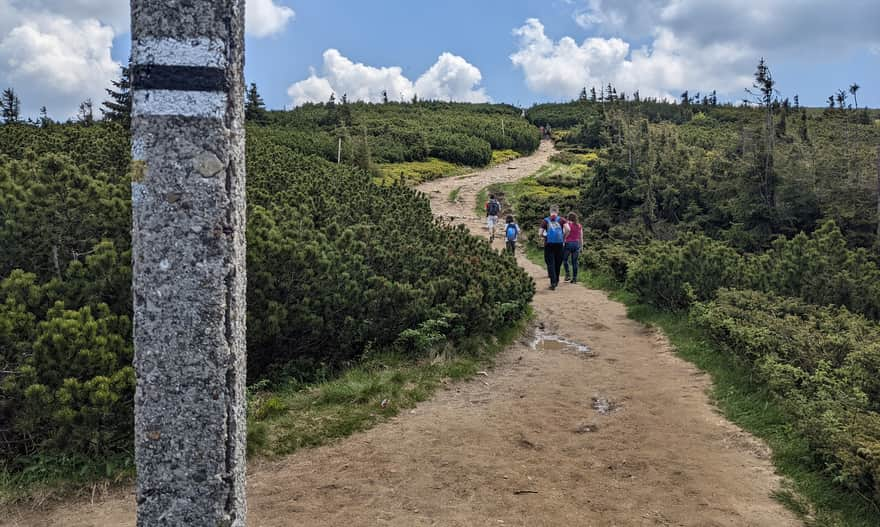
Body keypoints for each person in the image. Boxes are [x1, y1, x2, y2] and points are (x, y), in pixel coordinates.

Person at [539, 205, 569, 290]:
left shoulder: (545, 220)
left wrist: (545, 237)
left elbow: (540, 233)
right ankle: (557, 280)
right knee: (558, 262)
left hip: (549, 244)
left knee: (550, 263)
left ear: (550, 211)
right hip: (559, 244)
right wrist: (564, 237)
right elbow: (568, 229)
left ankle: (553, 282)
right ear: (557, 211)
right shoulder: (562, 220)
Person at [562, 212, 583, 283]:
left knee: (565, 260)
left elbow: (564, 233)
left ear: (568, 217)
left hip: (568, 244)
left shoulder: (567, 224)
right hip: (576, 244)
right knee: (575, 262)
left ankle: (567, 274)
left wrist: (563, 241)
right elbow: (581, 237)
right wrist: (581, 246)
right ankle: (574, 278)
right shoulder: (579, 225)